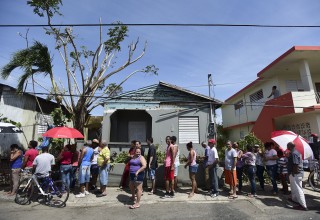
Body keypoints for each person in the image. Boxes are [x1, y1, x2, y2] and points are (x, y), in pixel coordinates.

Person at [287, 142, 308, 211]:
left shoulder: (294, 153)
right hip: (295, 173)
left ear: (290, 146)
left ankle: (303, 205)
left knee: (298, 189)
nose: (287, 147)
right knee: (294, 188)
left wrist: (294, 173)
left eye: (288, 145)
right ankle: (295, 199)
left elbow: (295, 164)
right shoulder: (295, 152)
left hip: (296, 173)